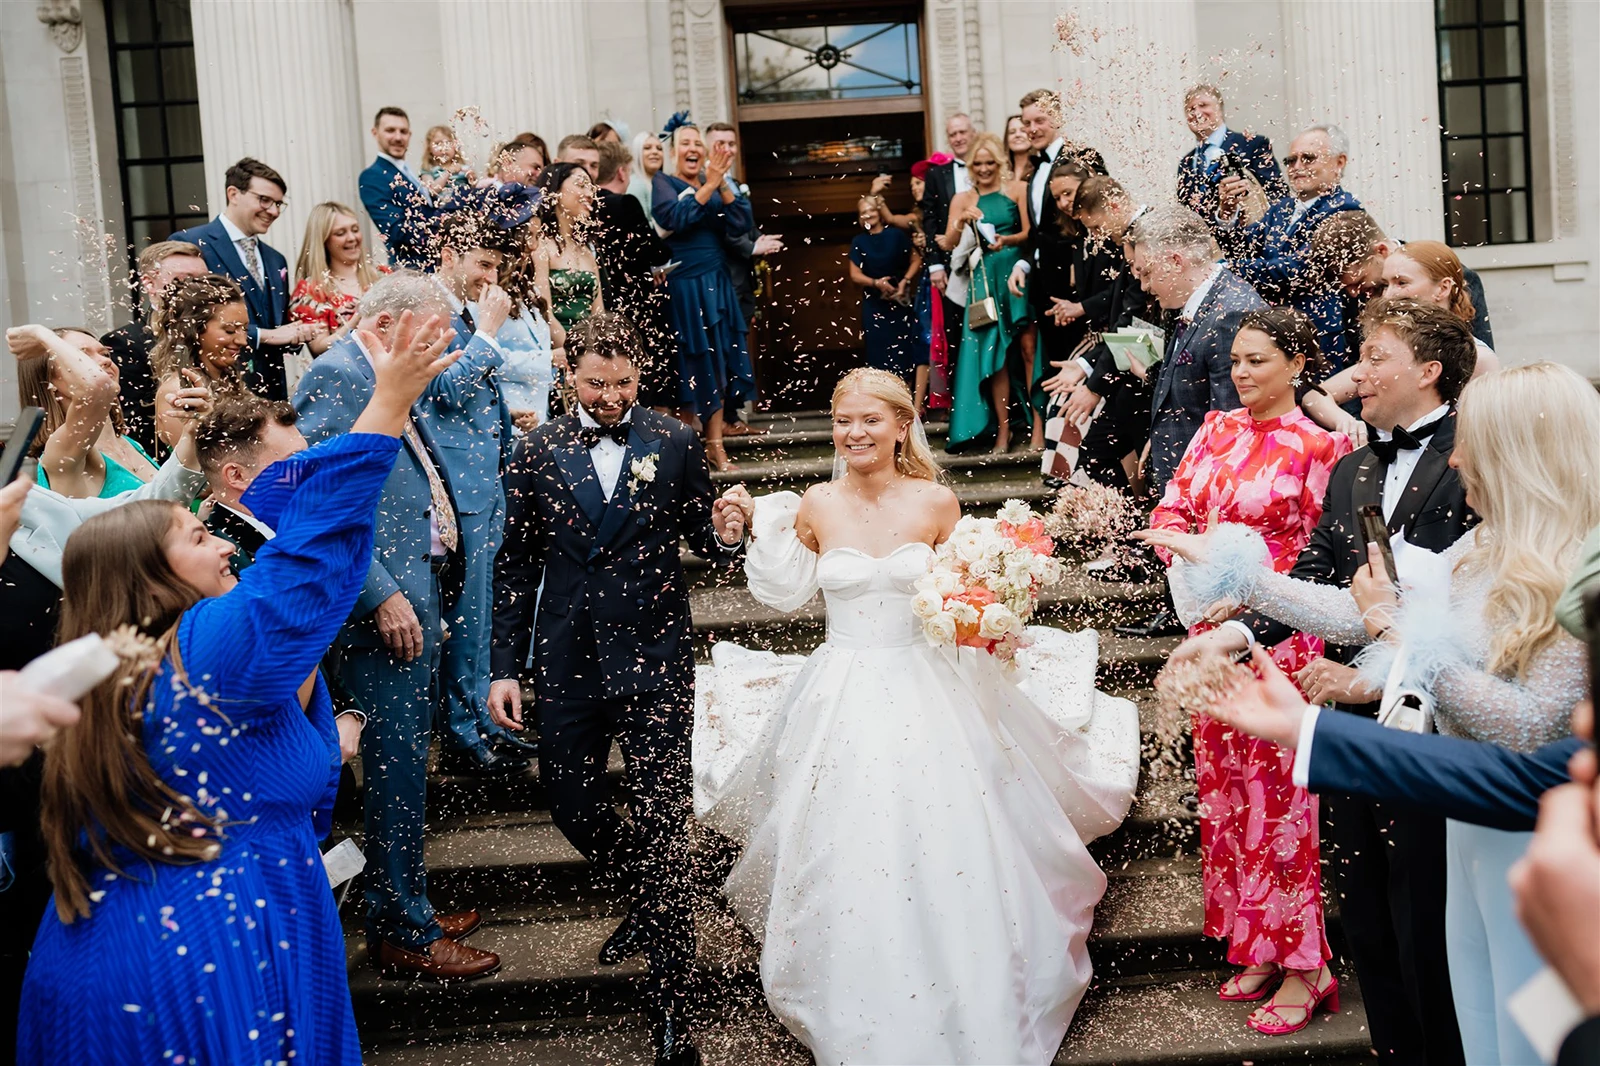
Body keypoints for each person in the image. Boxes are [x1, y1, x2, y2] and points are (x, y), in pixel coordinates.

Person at [16, 305, 456, 1065]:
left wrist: (332, 734)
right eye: (194, 535)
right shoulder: (193, 653)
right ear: (149, 580)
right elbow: (303, 569)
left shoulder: (143, 656)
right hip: (186, 960)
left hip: (244, 925)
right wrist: (387, 405)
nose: (219, 537)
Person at [691, 367, 1140, 1063]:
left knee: (949, 830)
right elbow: (782, 594)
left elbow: (966, 595)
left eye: (870, 420)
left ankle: (968, 977)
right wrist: (746, 528)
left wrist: (991, 614)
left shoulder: (937, 503)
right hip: (840, 687)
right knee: (847, 836)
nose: (853, 434)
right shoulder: (814, 502)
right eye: (843, 421)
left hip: (927, 683)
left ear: (903, 424)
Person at [1175, 359, 1598, 1065]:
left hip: (1536, 842)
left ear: (1523, 455)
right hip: (1467, 829)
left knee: (1532, 1037)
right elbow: (1360, 604)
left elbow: (1527, 725)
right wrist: (1244, 578)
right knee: (1478, 1018)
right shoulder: (1481, 547)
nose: (1457, 458)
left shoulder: (1574, 570)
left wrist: (1400, 638)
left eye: (1475, 442)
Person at [1169, 297, 1480, 1065]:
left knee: (1432, 927)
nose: (1357, 373)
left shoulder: (1479, 458)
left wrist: (1375, 675)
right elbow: (1317, 580)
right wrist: (1235, 637)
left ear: (1429, 370)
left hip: (1447, 732)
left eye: (1375, 357)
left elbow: (1471, 611)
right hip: (1348, 733)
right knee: (1370, 918)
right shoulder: (1352, 469)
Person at [488, 313, 748, 1066]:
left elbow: (705, 539)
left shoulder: (670, 438)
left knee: (665, 821)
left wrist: (726, 531)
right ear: (570, 373)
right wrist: (504, 666)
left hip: (655, 654)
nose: (611, 397)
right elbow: (514, 566)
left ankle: (674, 1010)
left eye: (625, 383)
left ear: (640, 376)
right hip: (567, 657)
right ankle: (648, 890)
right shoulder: (535, 450)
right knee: (570, 801)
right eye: (598, 383)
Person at [1134, 308, 1350, 1034]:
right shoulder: (1216, 429)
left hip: (1279, 644)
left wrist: (1255, 597)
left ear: (1296, 363)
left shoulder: (1322, 446)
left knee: (1284, 811)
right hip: (1208, 632)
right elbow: (1177, 502)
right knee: (1227, 798)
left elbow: (1325, 556)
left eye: (1258, 360)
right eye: (1234, 361)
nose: (1241, 373)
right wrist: (1179, 551)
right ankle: (1256, 942)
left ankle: (1306, 964)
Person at [293, 276, 503, 979]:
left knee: (408, 768)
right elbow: (317, 502)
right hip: (380, 617)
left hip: (421, 594)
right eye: (435, 333)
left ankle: (404, 899)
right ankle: (401, 933)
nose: (444, 347)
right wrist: (380, 595)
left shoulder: (382, 370)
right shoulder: (336, 375)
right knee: (392, 772)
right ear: (386, 323)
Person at [428, 216, 526, 775]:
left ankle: (484, 719)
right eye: (483, 263)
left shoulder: (463, 309)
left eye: (497, 266)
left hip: (484, 481)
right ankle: (464, 736)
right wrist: (488, 330)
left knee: (483, 615)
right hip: (454, 490)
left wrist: (506, 422)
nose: (492, 276)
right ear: (449, 251)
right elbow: (441, 391)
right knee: (463, 617)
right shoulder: (430, 306)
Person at [1303, 239, 1499, 443]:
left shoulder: (1479, 357)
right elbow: (1316, 395)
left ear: (1443, 288)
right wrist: (1345, 421)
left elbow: (1486, 436)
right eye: (1386, 284)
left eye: (1401, 283)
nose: (1388, 295)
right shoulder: (1390, 345)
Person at [653, 120, 757, 471]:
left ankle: (716, 447)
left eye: (698, 143)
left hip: (718, 283)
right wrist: (710, 183)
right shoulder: (663, 183)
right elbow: (674, 217)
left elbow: (741, 222)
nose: (693, 149)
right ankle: (687, 451)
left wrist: (721, 183)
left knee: (719, 363)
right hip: (685, 285)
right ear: (673, 152)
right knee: (692, 364)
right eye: (685, 143)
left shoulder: (716, 184)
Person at [1215, 125, 1362, 372]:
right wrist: (1227, 214)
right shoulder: (1281, 209)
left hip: (1318, 335)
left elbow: (1299, 270)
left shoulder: (1346, 211)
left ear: (1339, 162)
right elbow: (1245, 249)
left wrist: (1226, 268)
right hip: (1274, 332)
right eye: (1291, 160)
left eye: (1308, 158)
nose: (1296, 167)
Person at [1041, 175, 1154, 492]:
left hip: (1147, 371)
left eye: (1095, 227)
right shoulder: (1131, 236)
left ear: (1115, 205)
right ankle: (1119, 533)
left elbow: (1137, 321)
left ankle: (1126, 533)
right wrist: (1085, 365)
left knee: (1116, 454)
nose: (1095, 236)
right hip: (1129, 364)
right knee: (1098, 452)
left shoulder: (1148, 235)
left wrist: (1093, 384)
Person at [171, 158, 314, 400]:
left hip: (273, 392)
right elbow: (184, 320)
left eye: (279, 204)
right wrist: (263, 335)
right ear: (233, 194)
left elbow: (278, 328)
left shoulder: (275, 259)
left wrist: (302, 330)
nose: (274, 211)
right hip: (218, 389)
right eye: (265, 200)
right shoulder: (192, 244)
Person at [944, 132, 1038, 453]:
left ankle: (1038, 426)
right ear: (970, 166)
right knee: (994, 358)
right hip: (984, 280)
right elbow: (947, 243)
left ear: (999, 163)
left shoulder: (1018, 190)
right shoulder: (963, 199)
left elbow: (1028, 234)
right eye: (978, 164)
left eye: (989, 163)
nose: (984, 169)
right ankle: (1003, 429)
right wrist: (961, 223)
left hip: (1016, 273)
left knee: (1028, 350)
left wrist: (1006, 242)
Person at [1005, 89, 1107, 380]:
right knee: (1057, 365)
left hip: (1080, 286)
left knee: (1086, 366)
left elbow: (1097, 218)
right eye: (1027, 123)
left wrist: (1080, 266)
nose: (1032, 129)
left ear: (1058, 118)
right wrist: (1023, 264)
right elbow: (1039, 233)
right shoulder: (1034, 170)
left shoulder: (1084, 157)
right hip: (1045, 287)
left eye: (1040, 120)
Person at [1316, 210, 1494, 347]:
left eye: (1359, 280)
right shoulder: (1354, 293)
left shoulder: (1460, 276)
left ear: (1382, 251)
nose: (1353, 293)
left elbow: (1479, 352)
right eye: (1345, 287)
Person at [16, 326, 157, 499]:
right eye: (82, 356)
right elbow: (96, 385)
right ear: (48, 380)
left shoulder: (129, 444)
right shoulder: (62, 452)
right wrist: (40, 334)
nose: (105, 361)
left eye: (105, 354)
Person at [593, 139, 678, 411]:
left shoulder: (586, 205)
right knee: (649, 376)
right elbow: (657, 251)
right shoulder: (625, 203)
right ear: (621, 172)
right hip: (636, 304)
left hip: (603, 304)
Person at [101, 240, 208, 453]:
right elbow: (133, 427)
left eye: (203, 281)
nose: (196, 290)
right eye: (182, 280)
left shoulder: (216, 336)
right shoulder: (124, 342)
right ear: (149, 283)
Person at [149, 272, 261, 452]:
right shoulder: (179, 390)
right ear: (194, 330)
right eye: (230, 330)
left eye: (245, 329)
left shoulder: (229, 379)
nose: (242, 341)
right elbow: (195, 465)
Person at [1176, 83, 1287, 228]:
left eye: (1203, 105)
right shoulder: (1186, 163)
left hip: (1248, 240)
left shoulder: (1252, 145)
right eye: (1191, 109)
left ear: (1220, 109)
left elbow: (1278, 195)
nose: (1197, 113)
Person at [847, 194, 924, 397]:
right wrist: (875, 283)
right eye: (863, 212)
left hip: (899, 300)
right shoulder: (859, 241)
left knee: (904, 348)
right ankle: (883, 399)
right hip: (874, 304)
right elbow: (854, 275)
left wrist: (905, 281)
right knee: (878, 352)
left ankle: (906, 400)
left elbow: (916, 260)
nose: (868, 214)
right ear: (859, 217)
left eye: (871, 210)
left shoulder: (897, 236)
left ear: (879, 213)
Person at [291, 201, 390, 356]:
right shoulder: (311, 290)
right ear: (324, 240)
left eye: (355, 230)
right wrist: (356, 319)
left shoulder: (383, 276)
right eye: (340, 233)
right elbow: (319, 347)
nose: (351, 238)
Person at [533, 162, 604, 355]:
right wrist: (576, 353)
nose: (590, 194)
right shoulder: (539, 245)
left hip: (589, 353)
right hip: (558, 353)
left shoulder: (587, 250)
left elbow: (598, 314)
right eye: (581, 185)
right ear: (555, 190)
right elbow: (543, 311)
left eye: (591, 188)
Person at [922, 114, 976, 370]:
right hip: (951, 265)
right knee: (955, 333)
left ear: (973, 133)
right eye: (953, 134)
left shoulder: (991, 168)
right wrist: (935, 265)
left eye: (963, 132)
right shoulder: (935, 174)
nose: (958, 138)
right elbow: (930, 220)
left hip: (987, 260)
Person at [493, 229, 559, 433]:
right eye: (529, 235)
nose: (534, 245)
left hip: (539, 417)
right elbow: (487, 358)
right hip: (508, 420)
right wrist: (547, 360)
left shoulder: (531, 291)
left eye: (538, 236)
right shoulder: (487, 292)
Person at [418, 123, 475, 203]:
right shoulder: (428, 170)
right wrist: (448, 173)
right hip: (443, 208)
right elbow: (431, 191)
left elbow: (475, 189)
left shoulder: (463, 168)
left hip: (465, 206)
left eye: (448, 143)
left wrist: (472, 179)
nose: (444, 148)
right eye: (438, 143)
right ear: (429, 149)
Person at [628, 129, 665, 218]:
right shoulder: (636, 185)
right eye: (647, 148)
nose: (655, 152)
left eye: (659, 148)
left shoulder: (665, 183)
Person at [1004, 112, 1034, 185]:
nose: (1017, 135)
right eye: (1012, 132)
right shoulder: (1000, 170)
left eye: (1023, 131)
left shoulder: (1040, 167)